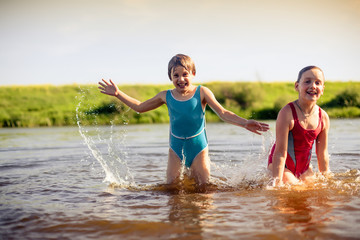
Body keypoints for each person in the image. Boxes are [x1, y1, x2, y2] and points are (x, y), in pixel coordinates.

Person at [98, 54, 269, 186]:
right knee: (171, 188)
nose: (180, 79)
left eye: (185, 74)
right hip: (175, 148)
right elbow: (140, 107)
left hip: (199, 148)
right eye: (176, 75)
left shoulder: (202, 92)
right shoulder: (165, 96)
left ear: (193, 74)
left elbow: (223, 112)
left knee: (204, 188)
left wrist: (245, 122)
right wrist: (118, 94)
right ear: (170, 78)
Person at [268, 66, 330, 186]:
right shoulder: (287, 113)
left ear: (322, 89)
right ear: (297, 86)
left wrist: (327, 178)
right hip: (282, 167)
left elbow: (322, 153)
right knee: (296, 189)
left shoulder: (323, 117)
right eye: (307, 81)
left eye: (318, 83)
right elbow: (280, 153)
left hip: (305, 169)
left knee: (316, 189)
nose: (313, 86)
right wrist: (276, 182)